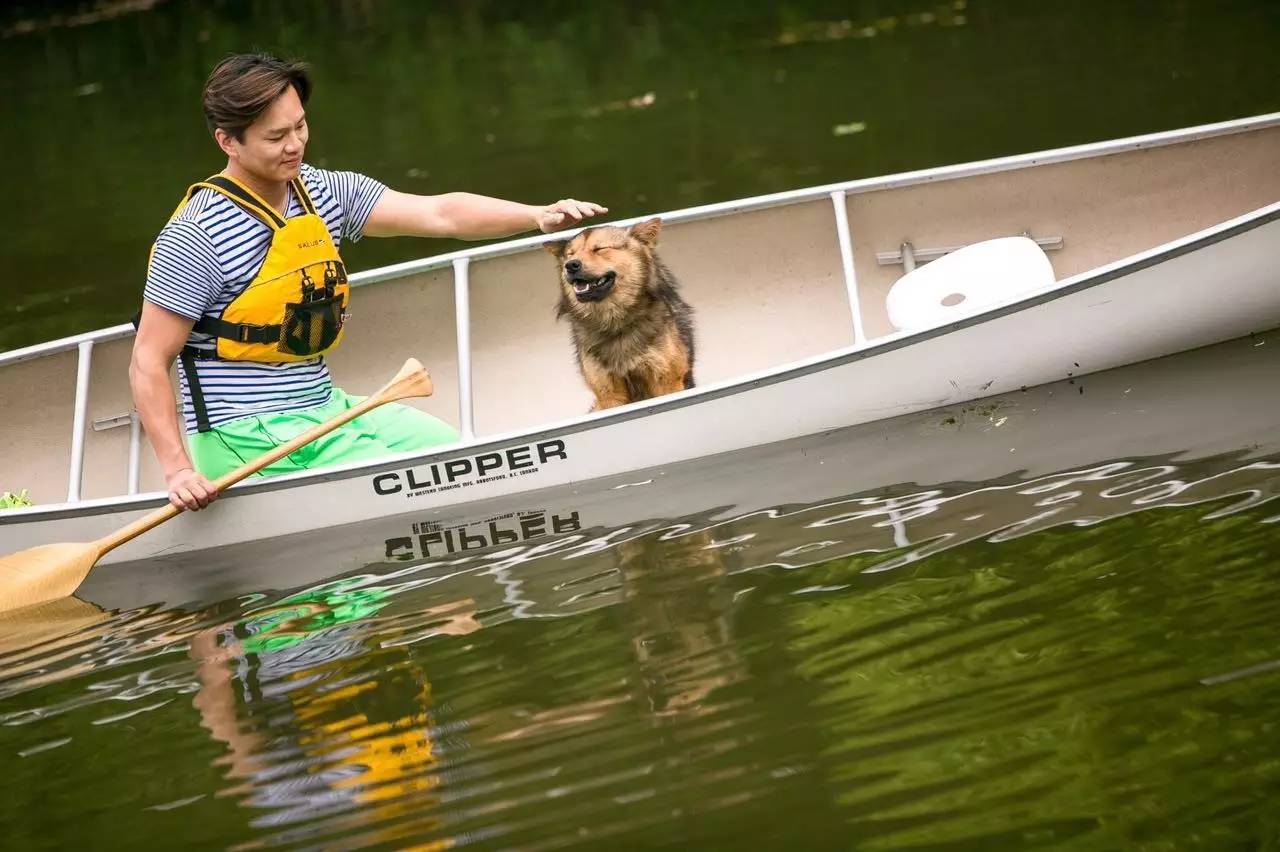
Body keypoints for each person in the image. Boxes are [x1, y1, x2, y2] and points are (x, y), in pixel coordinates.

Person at [130, 54, 606, 513]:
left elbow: (439, 213)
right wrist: (178, 472)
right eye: (276, 136)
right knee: (437, 493)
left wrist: (535, 215)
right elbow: (149, 361)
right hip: (245, 435)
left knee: (463, 463)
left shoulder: (323, 192)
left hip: (324, 407)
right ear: (228, 142)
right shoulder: (195, 236)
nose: (295, 144)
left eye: (300, 126)